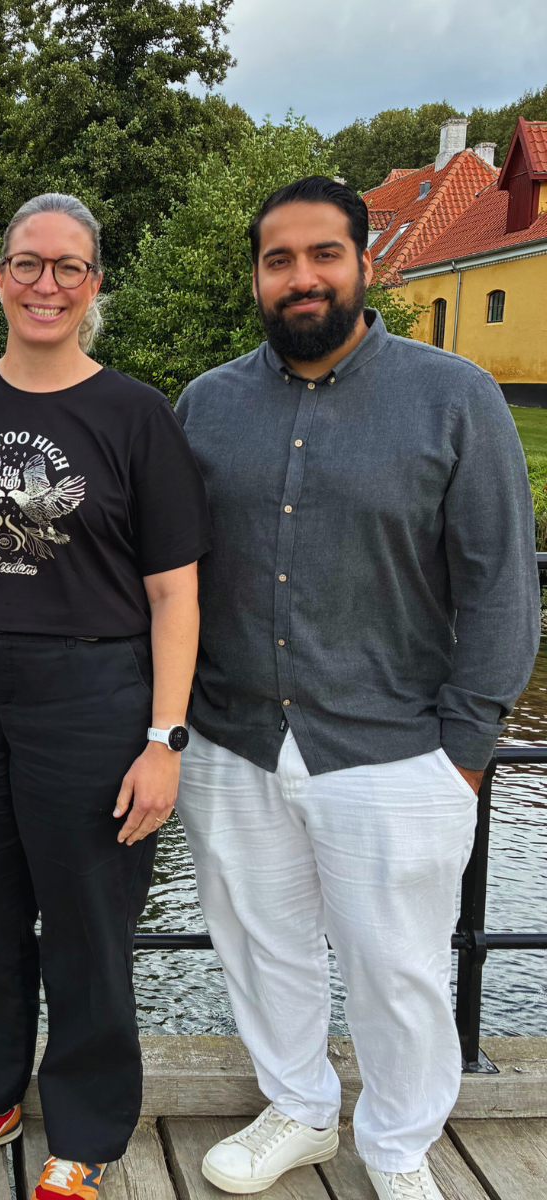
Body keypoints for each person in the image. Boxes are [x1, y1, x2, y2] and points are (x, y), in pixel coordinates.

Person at [173, 176, 540, 1200]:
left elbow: (503, 587)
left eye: (322, 254)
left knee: (401, 970)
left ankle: (398, 1141)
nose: (301, 277)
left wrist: (463, 752)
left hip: (395, 746)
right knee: (259, 943)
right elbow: (170, 579)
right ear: (255, 273)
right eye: (278, 258)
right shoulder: (206, 405)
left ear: (364, 261)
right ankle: (297, 1108)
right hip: (232, 736)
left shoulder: (454, 397)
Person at [0, 193, 213, 1200]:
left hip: (93, 692)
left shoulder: (135, 414)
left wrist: (166, 739)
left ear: (95, 284)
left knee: (88, 919)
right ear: (1, 277)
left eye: (69, 267)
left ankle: (88, 1130)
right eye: (29, 264)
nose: (46, 285)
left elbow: (174, 592)